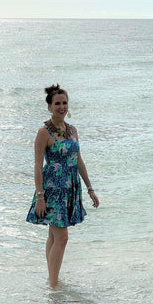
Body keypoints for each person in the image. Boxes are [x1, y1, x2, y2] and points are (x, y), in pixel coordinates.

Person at [26, 84, 99, 288]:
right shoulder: (43, 132)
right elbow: (38, 166)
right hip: (53, 190)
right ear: (49, 106)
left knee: (53, 235)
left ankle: (52, 280)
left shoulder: (72, 129)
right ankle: (54, 286)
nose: (61, 107)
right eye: (57, 103)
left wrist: (90, 189)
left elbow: (78, 160)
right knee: (62, 237)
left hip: (70, 189)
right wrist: (40, 197)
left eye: (64, 103)